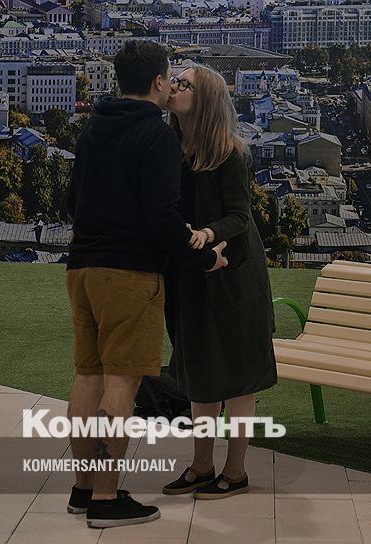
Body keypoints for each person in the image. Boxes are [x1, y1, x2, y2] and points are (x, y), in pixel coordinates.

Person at [64, 41, 228, 529]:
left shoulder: (94, 125)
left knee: (88, 377)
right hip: (129, 274)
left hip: (81, 268)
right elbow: (162, 216)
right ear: (158, 81)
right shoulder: (156, 136)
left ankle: (83, 488)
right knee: (122, 382)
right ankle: (106, 496)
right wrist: (204, 257)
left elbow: (72, 200)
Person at [160, 65, 278, 500]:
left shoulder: (232, 153)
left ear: (205, 100)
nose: (174, 87)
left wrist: (206, 234)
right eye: (174, 81)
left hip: (233, 275)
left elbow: (239, 217)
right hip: (193, 273)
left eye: (185, 84)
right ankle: (201, 465)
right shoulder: (172, 148)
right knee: (201, 372)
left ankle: (236, 470)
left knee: (238, 376)